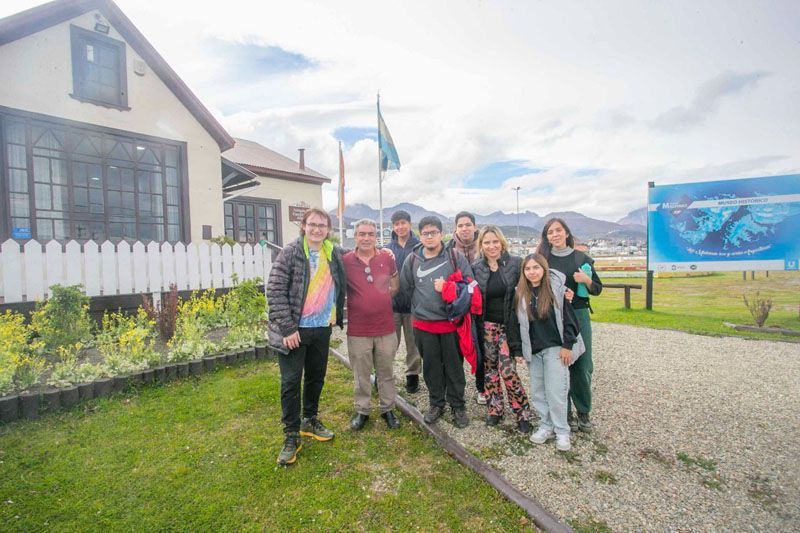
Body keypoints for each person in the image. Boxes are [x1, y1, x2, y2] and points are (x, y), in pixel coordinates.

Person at [267, 208, 345, 466]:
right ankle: (291, 435)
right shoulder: (290, 253)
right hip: (295, 331)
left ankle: (309, 420)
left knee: (315, 378)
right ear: (303, 226)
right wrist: (288, 329)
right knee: (290, 383)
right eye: (312, 224)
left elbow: (359, 256)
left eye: (322, 225)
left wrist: (384, 252)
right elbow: (275, 290)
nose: (317, 229)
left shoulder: (332, 252)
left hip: (322, 328)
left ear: (328, 229)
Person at [400, 215, 474, 428]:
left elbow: (469, 286)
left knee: (454, 366)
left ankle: (458, 405)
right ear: (420, 235)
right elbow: (406, 288)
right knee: (431, 367)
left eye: (434, 232)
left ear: (442, 234)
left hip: (451, 324)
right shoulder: (412, 260)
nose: (429, 236)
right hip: (423, 325)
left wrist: (449, 289)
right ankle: (436, 403)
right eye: (425, 233)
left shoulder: (454, 257)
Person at [508, 253, 584, 451]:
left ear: (544, 269)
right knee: (539, 391)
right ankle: (546, 425)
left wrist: (568, 345)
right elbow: (515, 323)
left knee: (556, 390)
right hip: (534, 350)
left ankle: (562, 431)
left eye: (536, 267)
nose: (532, 272)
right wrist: (517, 349)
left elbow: (569, 319)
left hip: (556, 349)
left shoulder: (556, 290)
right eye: (528, 269)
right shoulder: (520, 294)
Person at [536, 218, 602, 433]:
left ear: (566, 233)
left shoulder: (582, 258)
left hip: (579, 314)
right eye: (550, 232)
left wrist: (585, 280)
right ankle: (564, 412)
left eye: (558, 230)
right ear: (546, 237)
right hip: (554, 317)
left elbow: (597, 289)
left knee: (582, 365)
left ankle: (583, 411)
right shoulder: (543, 260)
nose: (554, 235)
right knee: (558, 366)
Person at [471, 225, 532, 433]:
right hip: (485, 327)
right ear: (481, 245)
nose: (491, 246)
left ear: (502, 242)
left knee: (508, 371)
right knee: (489, 371)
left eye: (495, 241)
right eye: (487, 242)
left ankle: (522, 412)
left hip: (508, 326)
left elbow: (533, 283)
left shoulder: (515, 263)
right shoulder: (476, 267)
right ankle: (494, 410)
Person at [343, 219, 402, 431]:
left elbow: (395, 283)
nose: (366, 238)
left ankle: (388, 409)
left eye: (370, 234)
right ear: (355, 236)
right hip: (358, 330)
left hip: (385, 327)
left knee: (386, 371)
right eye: (362, 234)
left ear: (376, 236)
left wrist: (381, 299)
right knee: (361, 373)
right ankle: (362, 410)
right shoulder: (346, 260)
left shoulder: (387, 258)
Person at [445, 211, 486, 404]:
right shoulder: (448, 250)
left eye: (468, 224)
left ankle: (482, 387)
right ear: (455, 228)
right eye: (460, 225)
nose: (464, 228)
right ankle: (455, 390)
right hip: (458, 306)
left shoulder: (486, 245)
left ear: (475, 226)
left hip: (481, 307)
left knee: (480, 349)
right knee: (455, 350)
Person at [386, 209, 422, 394]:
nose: (400, 227)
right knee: (389, 344)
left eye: (403, 223)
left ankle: (413, 375)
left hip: (413, 305)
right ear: (393, 226)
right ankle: (384, 376)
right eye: (396, 224)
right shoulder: (388, 248)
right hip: (391, 305)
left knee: (413, 344)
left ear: (410, 224)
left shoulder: (418, 246)